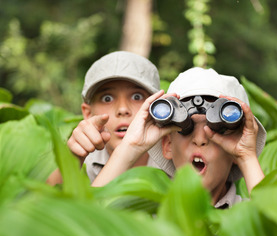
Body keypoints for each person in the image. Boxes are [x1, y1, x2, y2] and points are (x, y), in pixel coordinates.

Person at [92, 67, 267, 208]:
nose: (199, 139)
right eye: (186, 128)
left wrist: (246, 157)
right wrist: (131, 145)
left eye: (216, 130)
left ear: (234, 147)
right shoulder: (148, 210)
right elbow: (82, 221)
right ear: (167, 144)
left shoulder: (247, 215)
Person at [47, 51, 164, 185]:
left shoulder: (175, 155)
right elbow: (43, 202)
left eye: (137, 96)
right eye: (107, 98)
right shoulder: (85, 161)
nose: (122, 109)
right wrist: (72, 161)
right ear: (88, 113)